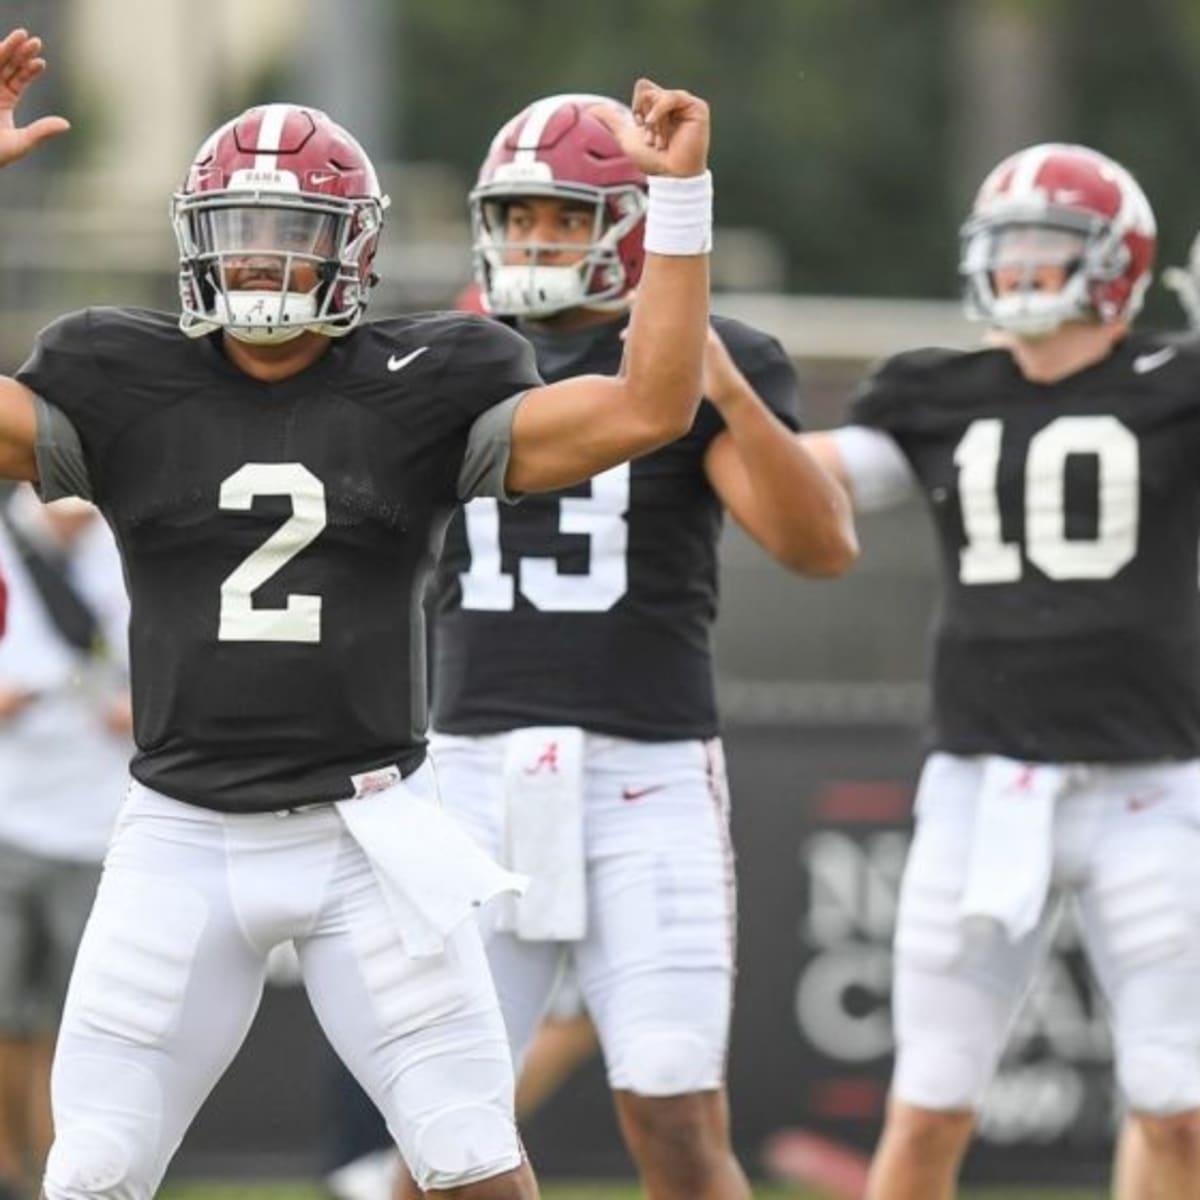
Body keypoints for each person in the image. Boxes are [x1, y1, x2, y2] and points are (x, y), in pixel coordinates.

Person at [0, 27, 716, 1200]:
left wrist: (677, 199)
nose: (266, 264)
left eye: (295, 237)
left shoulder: (432, 379)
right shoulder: (116, 376)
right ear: (194, 243)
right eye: (240, 234)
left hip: (369, 833)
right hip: (178, 830)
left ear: (355, 249)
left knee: (472, 1163)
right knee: (94, 1172)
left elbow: (651, 405)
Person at [407, 93, 856, 1200]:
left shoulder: (709, 350)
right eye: (515, 218)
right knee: (441, 1127)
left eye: (561, 219)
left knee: (673, 1113)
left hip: (644, 770)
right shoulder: (444, 352)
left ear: (632, 226)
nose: (533, 244)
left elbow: (820, 544)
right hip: (469, 767)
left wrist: (729, 387)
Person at [801, 142, 1200, 1200]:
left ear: (1116, 263)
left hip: (1150, 785)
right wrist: (718, 407)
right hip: (984, 783)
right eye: (1007, 247)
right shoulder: (937, 388)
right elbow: (810, 481)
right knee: (928, 1106)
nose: (1020, 269)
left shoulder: (1177, 382)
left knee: (1180, 1109)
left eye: (1047, 247)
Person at [0, 488, 130, 1200]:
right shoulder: (10, 555)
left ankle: (64, 1167)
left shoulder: (124, 553)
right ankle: (7, 1163)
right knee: (5, 1010)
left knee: (79, 1014)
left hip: (101, 822)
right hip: (8, 816)